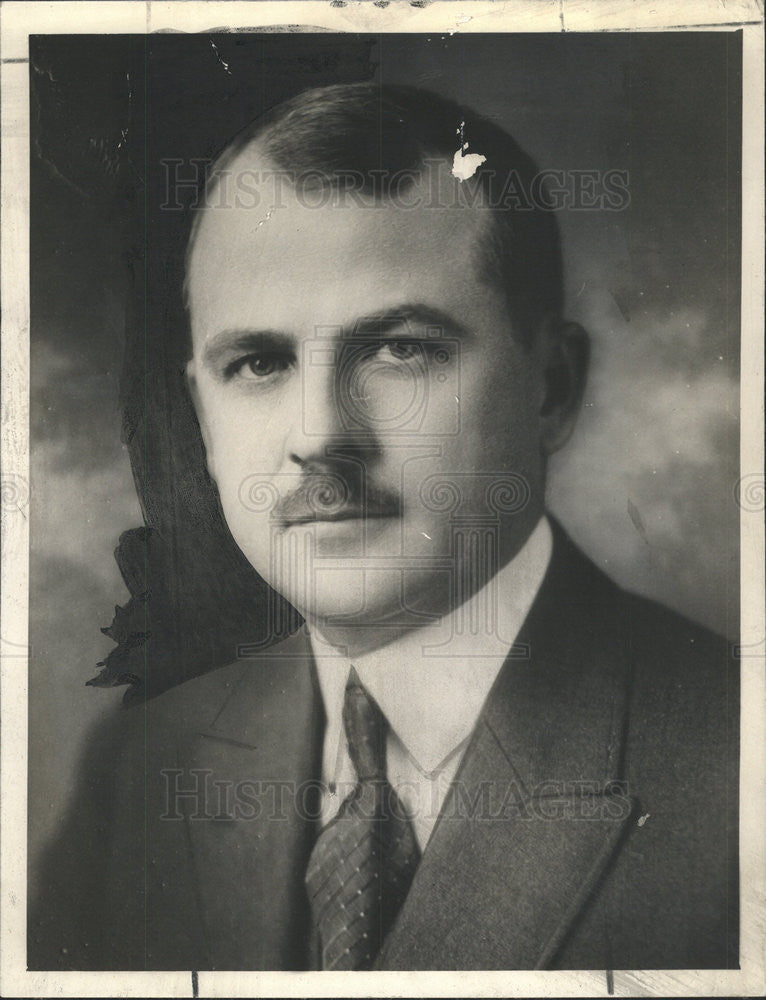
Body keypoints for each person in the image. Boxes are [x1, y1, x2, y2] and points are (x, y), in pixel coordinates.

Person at [28, 82, 738, 972]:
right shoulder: (140, 769)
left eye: (401, 349)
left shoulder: (736, 772)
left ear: (551, 386)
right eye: (258, 362)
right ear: (201, 419)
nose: (321, 435)